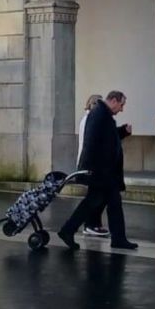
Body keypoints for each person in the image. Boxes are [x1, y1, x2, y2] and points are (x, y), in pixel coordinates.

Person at [58, 90, 137, 252]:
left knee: (112, 204)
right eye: (121, 105)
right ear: (113, 100)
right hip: (101, 172)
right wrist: (93, 170)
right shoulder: (100, 115)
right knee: (95, 203)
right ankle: (68, 230)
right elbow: (92, 143)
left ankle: (118, 238)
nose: (121, 109)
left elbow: (108, 138)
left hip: (105, 172)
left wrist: (123, 131)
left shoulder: (104, 115)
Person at [77, 94, 110, 239]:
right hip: (92, 165)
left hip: (93, 164)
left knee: (97, 197)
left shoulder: (91, 118)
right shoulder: (91, 119)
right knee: (95, 197)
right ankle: (90, 224)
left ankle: (92, 224)